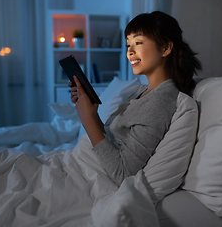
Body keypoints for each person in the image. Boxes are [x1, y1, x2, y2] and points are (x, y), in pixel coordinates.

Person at [69, 11, 201, 186]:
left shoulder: (159, 102)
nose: (130, 52)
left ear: (165, 48)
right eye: (128, 45)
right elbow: (111, 141)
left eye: (138, 43)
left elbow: (122, 173)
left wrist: (87, 120)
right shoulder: (143, 91)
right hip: (83, 164)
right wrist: (91, 113)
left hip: (91, 178)